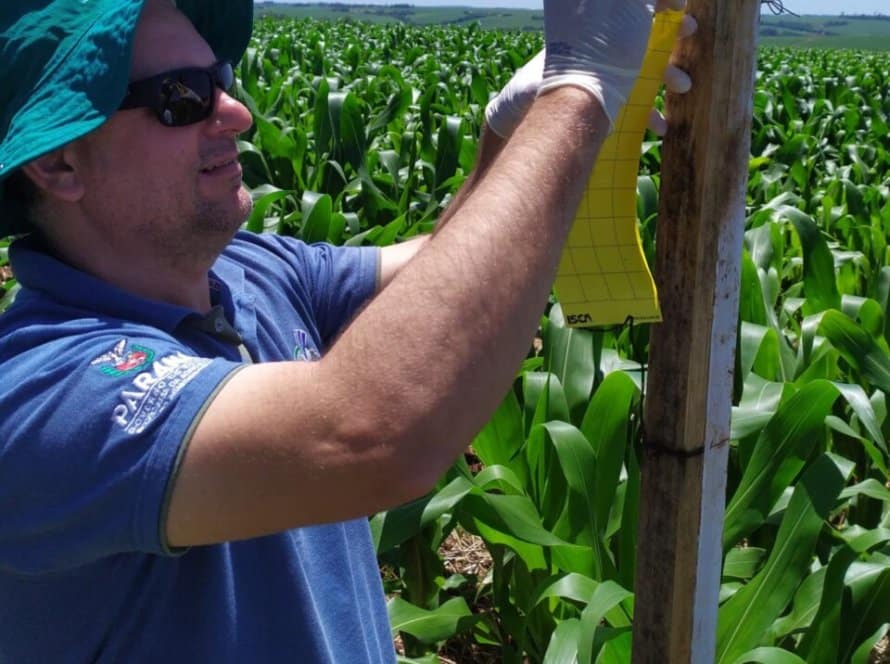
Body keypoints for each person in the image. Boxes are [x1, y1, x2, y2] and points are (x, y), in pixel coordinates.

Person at [0, 0, 694, 660]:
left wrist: (506, 137)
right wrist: (578, 95)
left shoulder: (251, 272)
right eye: (182, 96)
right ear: (58, 162)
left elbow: (445, 279)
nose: (236, 113)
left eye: (220, 80)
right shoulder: (46, 394)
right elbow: (370, 431)